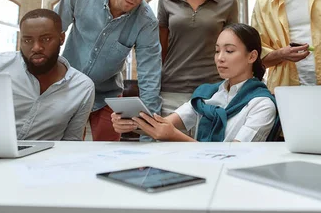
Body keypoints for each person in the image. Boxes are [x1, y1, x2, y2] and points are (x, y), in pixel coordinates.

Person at [55, 0, 167, 141]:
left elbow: (150, 77)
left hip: (107, 95)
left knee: (108, 158)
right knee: (65, 152)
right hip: (68, 88)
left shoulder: (146, 22)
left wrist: (149, 137)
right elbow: (51, 34)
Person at [111, 23, 277, 142]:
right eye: (217, 50)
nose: (220, 58)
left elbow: (232, 156)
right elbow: (162, 125)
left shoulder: (262, 104)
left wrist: (175, 137)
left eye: (229, 51)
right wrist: (130, 123)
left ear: (252, 56)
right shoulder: (206, 95)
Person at [0, 9, 95, 141]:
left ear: (61, 38)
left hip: (44, 159)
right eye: (27, 41)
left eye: (46, 39)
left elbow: (71, 141)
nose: (36, 48)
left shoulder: (82, 87)